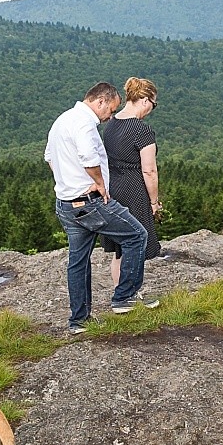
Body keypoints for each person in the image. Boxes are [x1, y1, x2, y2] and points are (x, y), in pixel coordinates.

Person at [46, 82, 157, 334]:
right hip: (90, 202)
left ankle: (79, 321)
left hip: (65, 203)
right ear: (100, 102)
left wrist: (66, 181)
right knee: (137, 235)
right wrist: (99, 184)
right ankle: (123, 297)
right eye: (110, 110)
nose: (109, 117)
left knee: (78, 261)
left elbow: (49, 158)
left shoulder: (62, 120)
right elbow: (88, 157)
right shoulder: (85, 124)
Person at [101, 77, 163, 288]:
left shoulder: (111, 124)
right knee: (136, 244)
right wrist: (154, 202)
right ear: (145, 100)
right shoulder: (141, 130)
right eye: (153, 105)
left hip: (113, 188)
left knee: (119, 248)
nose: (151, 110)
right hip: (134, 189)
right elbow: (149, 170)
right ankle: (130, 294)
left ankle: (121, 292)